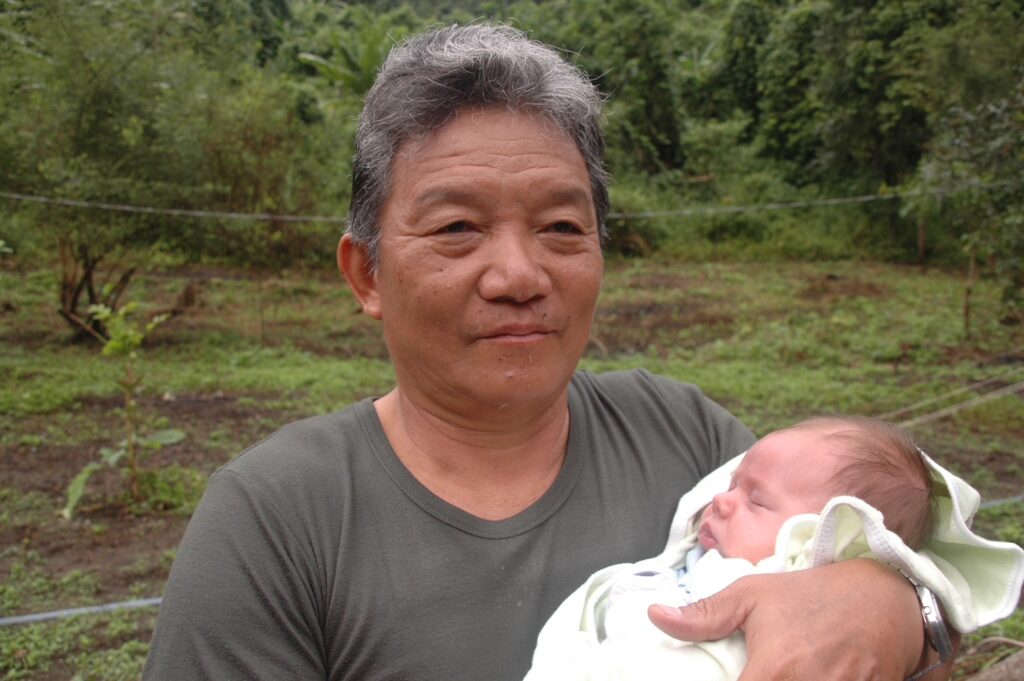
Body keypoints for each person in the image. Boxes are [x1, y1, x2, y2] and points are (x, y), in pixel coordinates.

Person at [144, 24, 970, 681]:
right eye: (457, 227)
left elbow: (870, 563)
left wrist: (897, 609)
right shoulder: (278, 520)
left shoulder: (683, 436)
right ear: (367, 274)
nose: (519, 275)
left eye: (562, 227)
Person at [525, 416, 940, 680]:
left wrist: (889, 603)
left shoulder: (777, 589)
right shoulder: (684, 569)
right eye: (731, 484)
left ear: (827, 538)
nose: (720, 500)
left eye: (755, 500)